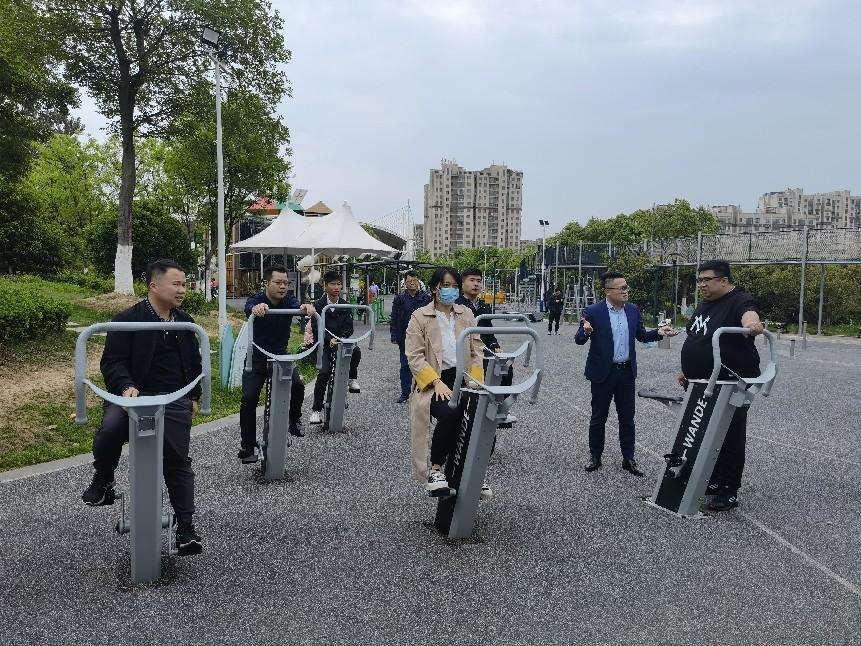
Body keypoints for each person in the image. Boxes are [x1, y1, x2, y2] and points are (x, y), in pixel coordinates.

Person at [82, 259, 204, 556]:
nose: (182, 290)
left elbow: (193, 363)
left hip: (172, 397)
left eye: (184, 285)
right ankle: (104, 478)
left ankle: (186, 528)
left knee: (177, 459)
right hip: (133, 397)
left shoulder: (184, 323)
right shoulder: (128, 320)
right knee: (110, 429)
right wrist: (125, 387)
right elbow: (113, 362)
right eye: (176, 284)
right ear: (154, 286)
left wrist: (194, 396)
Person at [679, 259, 764, 512]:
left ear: (723, 280)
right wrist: (685, 368)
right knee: (707, 431)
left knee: (730, 435)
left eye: (707, 280)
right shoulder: (705, 304)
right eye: (699, 280)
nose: (701, 285)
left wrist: (752, 325)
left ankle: (729, 489)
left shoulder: (739, 300)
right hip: (702, 382)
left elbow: (749, 314)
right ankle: (714, 479)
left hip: (730, 382)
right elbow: (695, 335)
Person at [575, 271, 676, 476]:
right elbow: (579, 339)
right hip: (603, 374)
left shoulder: (632, 310)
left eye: (626, 287)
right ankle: (595, 456)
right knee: (598, 417)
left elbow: (641, 335)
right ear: (608, 291)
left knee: (627, 418)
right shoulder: (593, 311)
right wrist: (585, 331)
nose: (626, 291)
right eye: (622, 288)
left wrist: (658, 333)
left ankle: (629, 458)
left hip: (626, 373)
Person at [405, 267, 489, 497]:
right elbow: (414, 356)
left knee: (480, 418)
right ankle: (436, 469)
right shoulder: (420, 316)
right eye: (446, 286)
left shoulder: (466, 314)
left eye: (454, 286)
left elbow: (477, 349)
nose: (450, 290)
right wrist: (436, 381)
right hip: (434, 380)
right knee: (451, 413)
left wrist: (475, 379)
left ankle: (471, 471)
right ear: (435, 288)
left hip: (464, 378)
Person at [239, 265, 315, 463]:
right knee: (249, 397)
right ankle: (247, 445)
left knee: (298, 386)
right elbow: (249, 307)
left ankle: (294, 419)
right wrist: (256, 309)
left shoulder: (288, 300)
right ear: (266, 283)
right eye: (278, 282)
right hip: (257, 357)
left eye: (286, 283)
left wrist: (306, 307)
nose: (283, 287)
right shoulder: (257, 299)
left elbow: (299, 306)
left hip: (281, 356)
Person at [457, 267, 515, 424]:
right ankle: (471, 409)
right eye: (472, 280)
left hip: (483, 348)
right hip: (466, 350)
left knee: (505, 366)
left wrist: (495, 345)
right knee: (475, 379)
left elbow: (489, 330)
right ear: (462, 283)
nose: (476, 284)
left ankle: (500, 407)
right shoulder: (457, 306)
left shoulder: (483, 306)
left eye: (478, 281)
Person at [310, 270, 362, 424]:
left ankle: (351, 379)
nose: (337, 287)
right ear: (325, 286)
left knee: (356, 351)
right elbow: (315, 328)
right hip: (324, 345)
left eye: (339, 284)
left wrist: (340, 339)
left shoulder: (345, 304)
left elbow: (349, 327)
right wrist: (328, 340)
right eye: (333, 284)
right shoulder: (318, 305)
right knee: (324, 373)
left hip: (341, 343)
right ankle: (316, 410)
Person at [390, 270, 431, 403]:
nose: (412, 283)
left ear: (418, 282)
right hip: (405, 336)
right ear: (405, 283)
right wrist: (394, 335)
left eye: (414, 281)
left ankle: (423, 390)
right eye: (409, 281)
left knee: (423, 363)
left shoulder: (426, 298)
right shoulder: (399, 299)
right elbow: (394, 317)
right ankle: (405, 393)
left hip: (422, 336)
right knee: (405, 365)